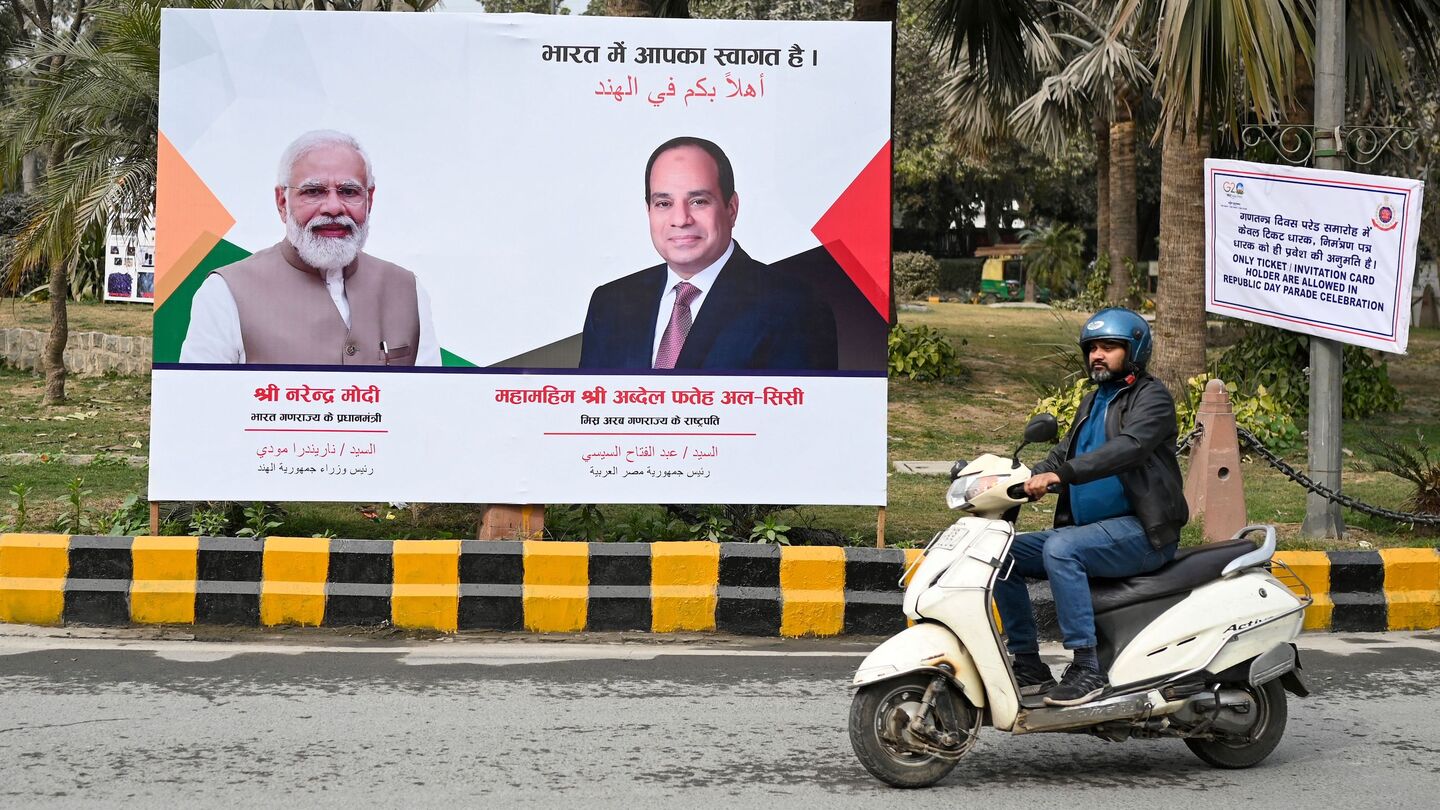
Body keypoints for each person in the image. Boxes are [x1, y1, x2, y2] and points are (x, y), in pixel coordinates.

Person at [993, 307, 1188, 707]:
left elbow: (1127, 448)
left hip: (1142, 530)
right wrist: (1018, 479)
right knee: (998, 554)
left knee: (1061, 549)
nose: (1097, 355)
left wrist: (1061, 476)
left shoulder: (1152, 399)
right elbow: (1063, 453)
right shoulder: (1093, 401)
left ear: (1134, 350)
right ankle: (1028, 661)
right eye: (1092, 348)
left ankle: (1086, 667)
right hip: (1094, 531)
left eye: (1110, 347)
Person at [180, 130, 439, 366]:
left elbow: (428, 404)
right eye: (314, 191)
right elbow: (202, 407)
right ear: (282, 202)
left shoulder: (407, 290)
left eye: (349, 192)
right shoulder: (225, 292)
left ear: (369, 200)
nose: (334, 207)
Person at [578, 136, 837, 371]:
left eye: (698, 201)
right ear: (649, 211)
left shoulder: (795, 307)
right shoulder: (610, 304)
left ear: (731, 209)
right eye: (664, 203)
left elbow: (799, 422)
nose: (680, 219)